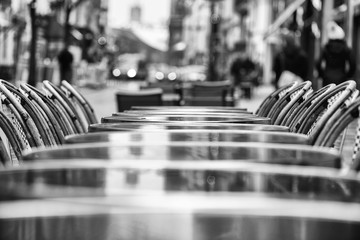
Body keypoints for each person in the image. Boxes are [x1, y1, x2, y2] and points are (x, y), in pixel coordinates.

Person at [316, 21, 355, 86]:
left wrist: (322, 75)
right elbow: (353, 64)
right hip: (342, 80)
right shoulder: (346, 48)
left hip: (327, 80)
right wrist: (348, 75)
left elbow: (318, 62)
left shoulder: (326, 47)